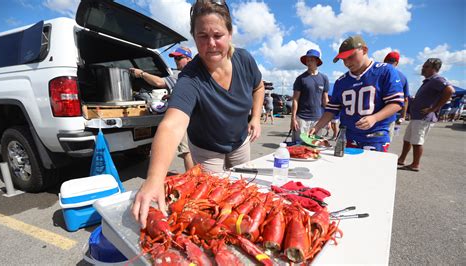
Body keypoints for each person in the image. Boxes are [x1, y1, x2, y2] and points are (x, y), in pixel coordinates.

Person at [132, 0, 264, 224]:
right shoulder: (190, 77)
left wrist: (256, 118)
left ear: (230, 34)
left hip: (240, 142)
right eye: (203, 36)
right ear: (194, 37)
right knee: (213, 205)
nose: (211, 43)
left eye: (218, 35)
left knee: (244, 193)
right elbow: (172, 125)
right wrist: (155, 179)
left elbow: (258, 87)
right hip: (207, 151)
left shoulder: (244, 59)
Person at [308, 35, 404, 152]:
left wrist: (374, 118)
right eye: (343, 60)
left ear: (364, 50)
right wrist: (317, 126)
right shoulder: (341, 81)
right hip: (348, 136)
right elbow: (332, 109)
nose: (347, 62)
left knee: (372, 169)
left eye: (351, 57)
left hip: (375, 136)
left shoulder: (385, 71)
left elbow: (396, 103)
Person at [129, 46, 195, 171]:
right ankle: (198, 179)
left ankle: (193, 181)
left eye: (179, 58)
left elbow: (159, 82)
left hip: (185, 117)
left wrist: (142, 73)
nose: (176, 61)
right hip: (194, 117)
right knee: (196, 150)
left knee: (187, 152)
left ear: (188, 59)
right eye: (175, 58)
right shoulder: (196, 74)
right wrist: (172, 95)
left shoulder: (184, 75)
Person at [397, 58, 455, 171]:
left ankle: (415, 164)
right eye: (424, 66)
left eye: (426, 67)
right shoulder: (429, 81)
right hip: (417, 117)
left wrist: (434, 108)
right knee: (407, 139)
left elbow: (450, 90)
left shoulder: (437, 79)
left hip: (423, 118)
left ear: (434, 69)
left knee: (417, 141)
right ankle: (402, 159)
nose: (423, 68)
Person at [291, 49, 329, 142]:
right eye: (307, 60)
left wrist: (328, 119)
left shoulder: (324, 78)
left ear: (317, 61)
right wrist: (293, 118)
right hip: (302, 119)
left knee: (315, 147)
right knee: (299, 146)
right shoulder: (300, 79)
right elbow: (295, 99)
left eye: (312, 60)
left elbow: (325, 100)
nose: (309, 62)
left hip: (318, 120)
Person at [384, 51, 410, 139]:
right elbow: (405, 100)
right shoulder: (402, 77)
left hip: (372, 115)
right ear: (397, 63)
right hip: (390, 116)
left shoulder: (376, 72)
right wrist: (402, 116)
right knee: (384, 143)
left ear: (384, 60)